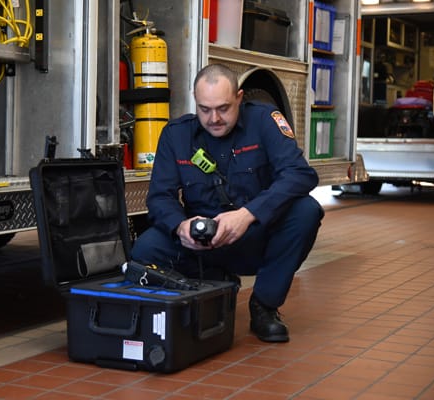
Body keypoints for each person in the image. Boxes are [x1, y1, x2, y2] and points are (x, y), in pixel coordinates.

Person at [130, 64, 324, 343]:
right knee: (145, 248)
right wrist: (180, 226)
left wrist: (248, 215)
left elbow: (300, 174)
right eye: (204, 109)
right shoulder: (176, 134)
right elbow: (160, 197)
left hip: (253, 236)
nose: (214, 118)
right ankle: (217, 282)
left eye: (223, 108)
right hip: (201, 245)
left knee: (306, 211)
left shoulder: (265, 121)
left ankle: (264, 306)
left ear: (239, 97)